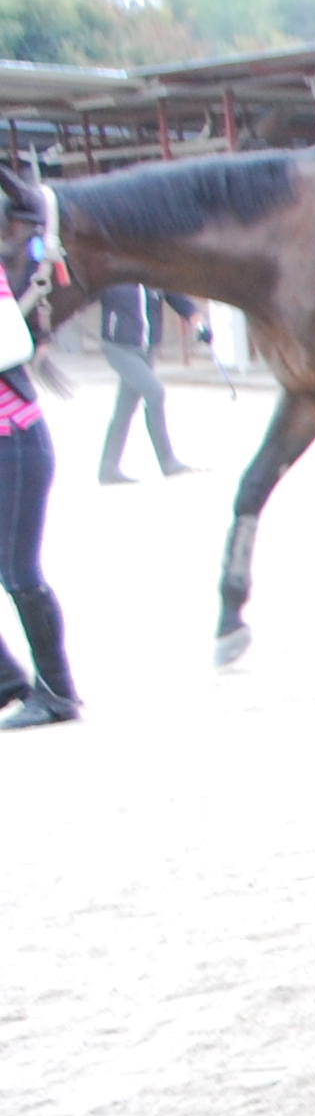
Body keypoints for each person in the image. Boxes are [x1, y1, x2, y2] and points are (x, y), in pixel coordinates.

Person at [0, 206, 79, 729]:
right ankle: (9, 682)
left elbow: (14, 345)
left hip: (15, 443)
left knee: (20, 571)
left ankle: (57, 694)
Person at [93, 281, 195, 482]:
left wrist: (197, 322)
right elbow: (83, 293)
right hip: (118, 347)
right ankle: (168, 461)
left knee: (125, 407)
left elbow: (177, 298)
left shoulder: (150, 274)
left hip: (147, 349)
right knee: (155, 392)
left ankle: (108, 469)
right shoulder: (114, 276)